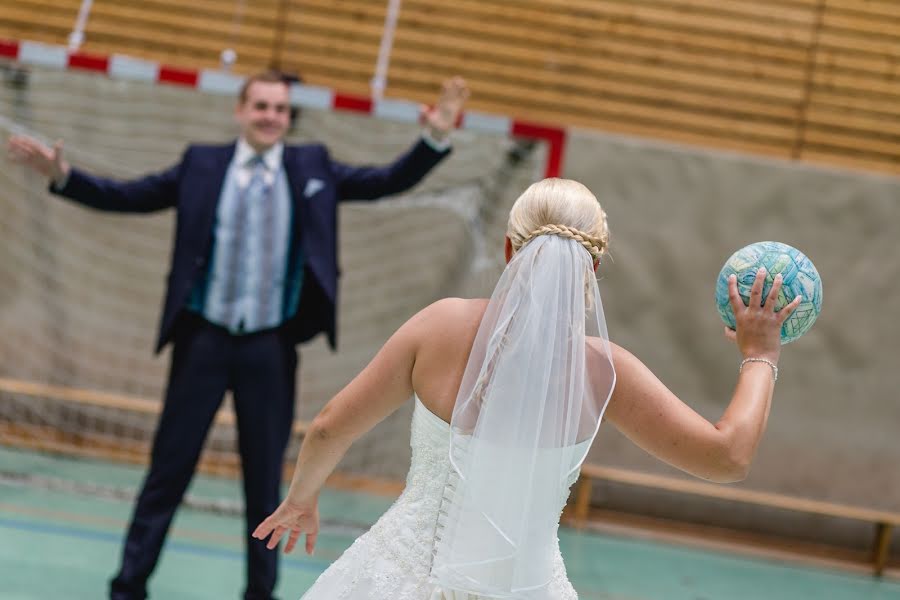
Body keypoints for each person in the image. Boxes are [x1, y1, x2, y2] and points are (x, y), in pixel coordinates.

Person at [7, 72, 470, 600]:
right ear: (240, 110)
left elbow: (387, 180)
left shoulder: (311, 166)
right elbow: (130, 196)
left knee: (264, 480)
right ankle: (128, 587)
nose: (271, 115)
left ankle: (260, 593)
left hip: (269, 348)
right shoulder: (201, 164)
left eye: (280, 108)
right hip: (202, 340)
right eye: (261, 106)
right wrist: (64, 176)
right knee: (168, 471)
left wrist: (434, 137)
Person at [252, 177, 802, 599]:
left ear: (510, 249)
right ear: (594, 265)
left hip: (400, 578)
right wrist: (760, 355)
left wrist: (301, 500)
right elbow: (728, 457)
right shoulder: (606, 372)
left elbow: (329, 426)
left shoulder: (439, 326)